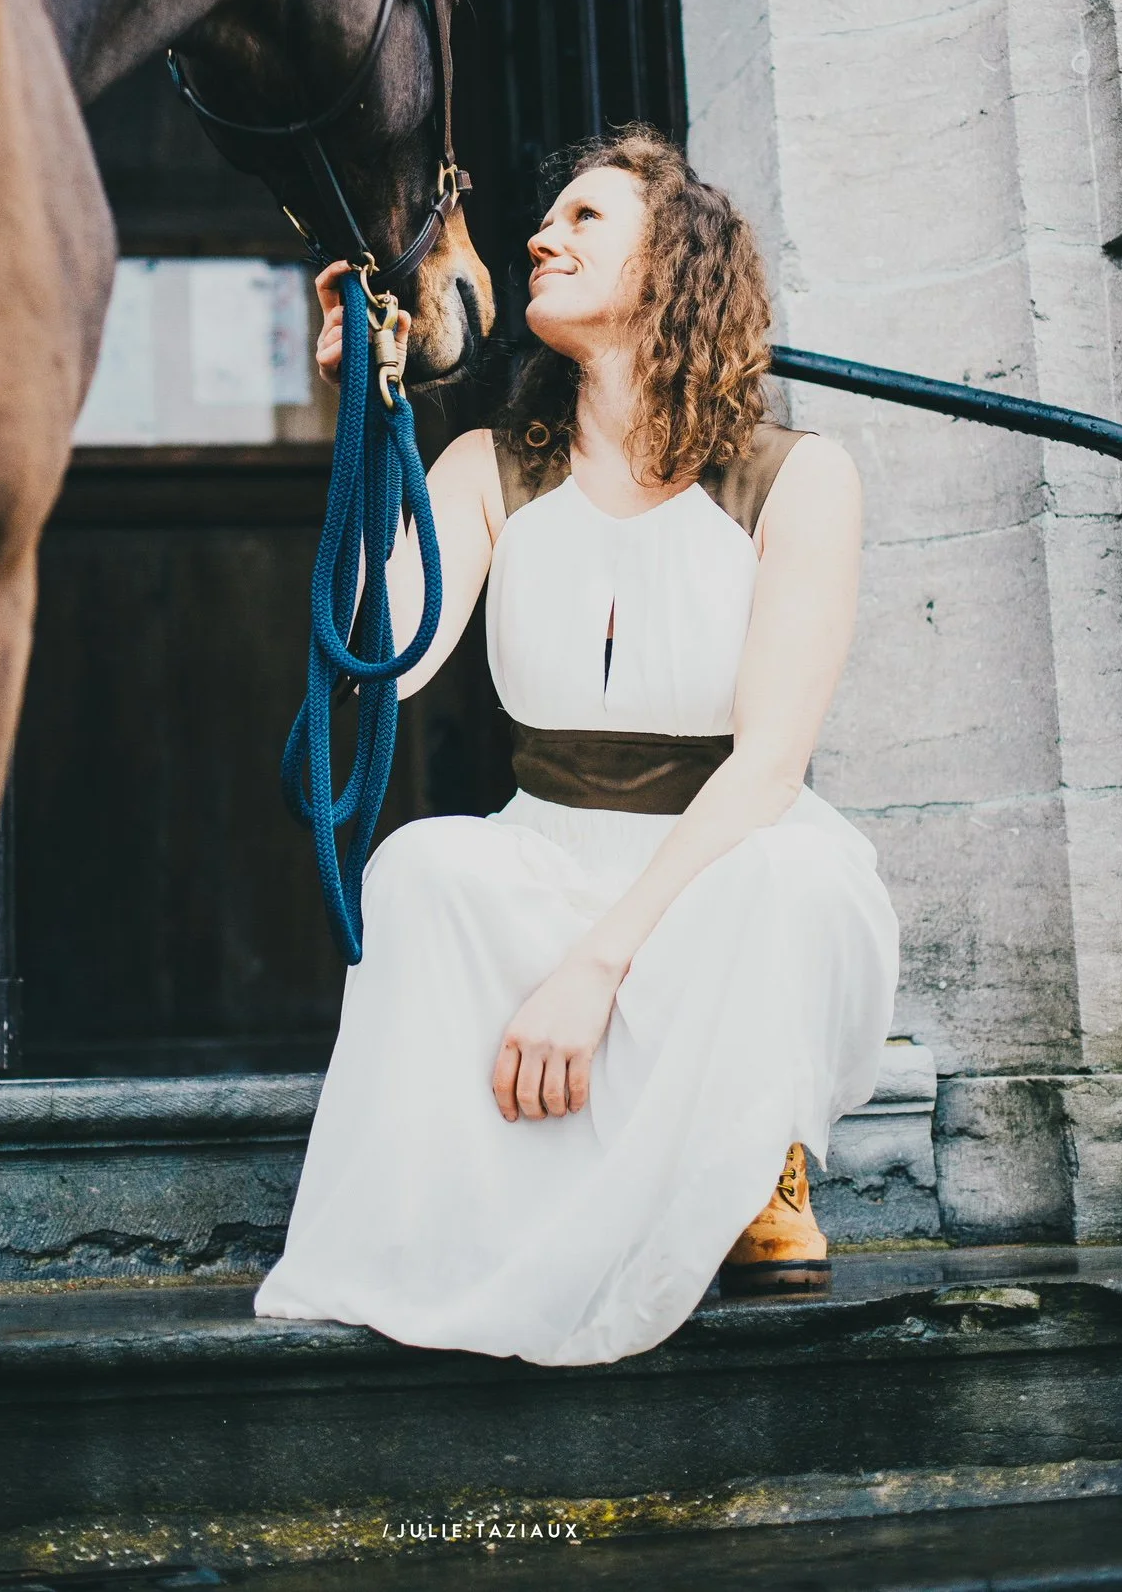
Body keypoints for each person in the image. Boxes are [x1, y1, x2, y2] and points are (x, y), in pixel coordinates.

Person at [251, 125, 899, 1367]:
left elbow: (764, 770)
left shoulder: (796, 477)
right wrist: (362, 418)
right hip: (547, 844)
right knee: (423, 871)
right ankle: (479, 1222)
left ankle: (757, 1163)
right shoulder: (488, 467)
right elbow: (384, 656)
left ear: (674, 268)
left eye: (583, 221)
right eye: (545, 221)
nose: (539, 236)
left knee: (787, 881)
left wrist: (595, 968)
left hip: (716, 855)